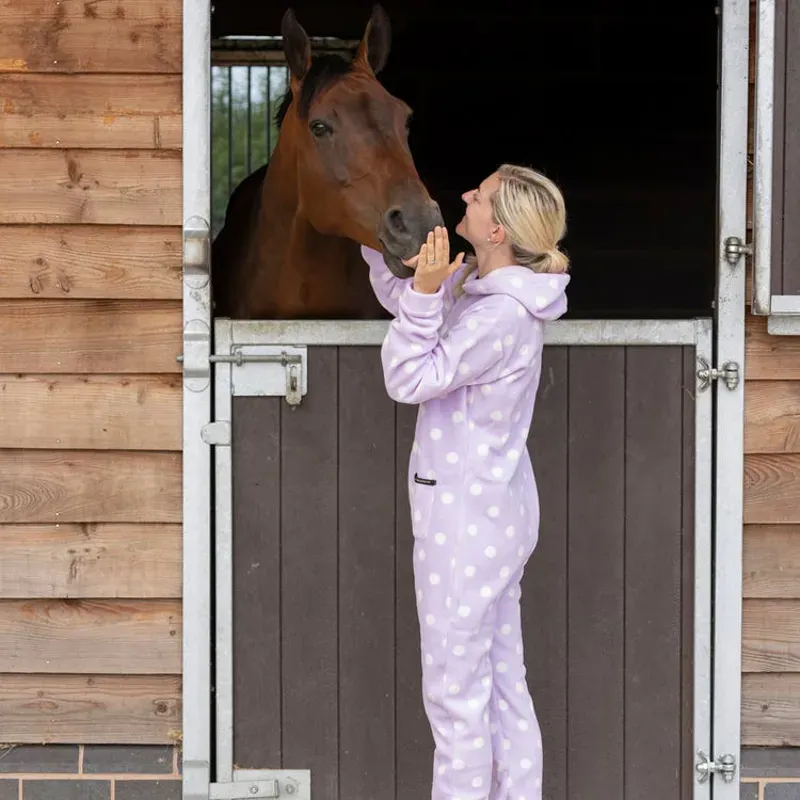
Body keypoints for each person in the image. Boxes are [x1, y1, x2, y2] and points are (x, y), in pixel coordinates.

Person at [360, 163, 570, 800]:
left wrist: (426, 298)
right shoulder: (480, 288)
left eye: (478, 197)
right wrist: (374, 241)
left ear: (498, 229)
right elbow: (412, 302)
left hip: (465, 530)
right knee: (502, 681)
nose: (465, 197)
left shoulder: (498, 318)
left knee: (455, 695)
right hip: (492, 518)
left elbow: (410, 377)